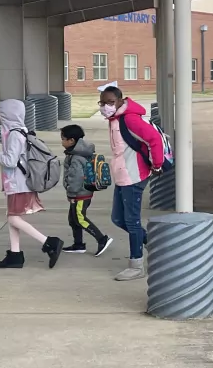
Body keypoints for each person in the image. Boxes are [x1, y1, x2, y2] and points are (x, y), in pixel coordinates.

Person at [0, 99, 64, 270]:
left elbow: (10, 161)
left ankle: (49, 243)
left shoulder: (15, 134)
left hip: (19, 184)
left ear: (8, 114)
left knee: (13, 218)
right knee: (12, 218)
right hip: (16, 183)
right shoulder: (19, 131)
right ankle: (15, 255)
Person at [99, 86, 163, 281]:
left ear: (120, 101)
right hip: (122, 175)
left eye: (110, 102)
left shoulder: (129, 119)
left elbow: (154, 139)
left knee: (132, 221)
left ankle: (136, 265)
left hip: (134, 176)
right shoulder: (115, 119)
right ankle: (155, 245)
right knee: (118, 218)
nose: (106, 106)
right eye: (102, 103)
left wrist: (157, 164)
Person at [59, 124, 113, 257]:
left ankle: (102, 239)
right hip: (81, 193)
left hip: (80, 194)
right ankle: (78, 245)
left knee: (80, 218)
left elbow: (75, 178)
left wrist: (71, 194)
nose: (62, 141)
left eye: (63, 139)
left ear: (71, 140)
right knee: (73, 219)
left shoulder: (76, 157)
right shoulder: (77, 153)